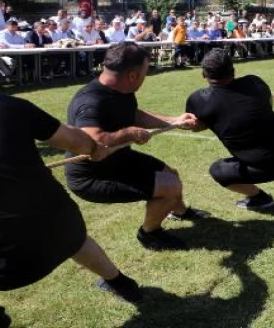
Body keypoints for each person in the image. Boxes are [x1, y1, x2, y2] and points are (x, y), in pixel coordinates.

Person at [0, 94, 143, 327]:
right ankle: (121, 283)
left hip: (3, 266)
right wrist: (92, 147)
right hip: (68, 231)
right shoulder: (2, 103)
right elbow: (74, 139)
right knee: (60, 224)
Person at [65, 43, 207, 251]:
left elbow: (133, 114)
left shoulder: (120, 89)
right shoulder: (90, 100)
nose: (144, 77)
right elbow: (91, 140)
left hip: (118, 160)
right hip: (93, 176)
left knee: (170, 174)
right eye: (144, 72)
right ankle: (149, 234)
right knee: (169, 186)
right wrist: (129, 133)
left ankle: (179, 211)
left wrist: (174, 121)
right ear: (132, 76)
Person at [185, 49, 274, 210]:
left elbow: (197, 127)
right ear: (233, 70)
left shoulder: (199, 99)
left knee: (218, 170)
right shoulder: (254, 82)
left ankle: (260, 198)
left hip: (261, 166)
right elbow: (269, 105)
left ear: (204, 74)